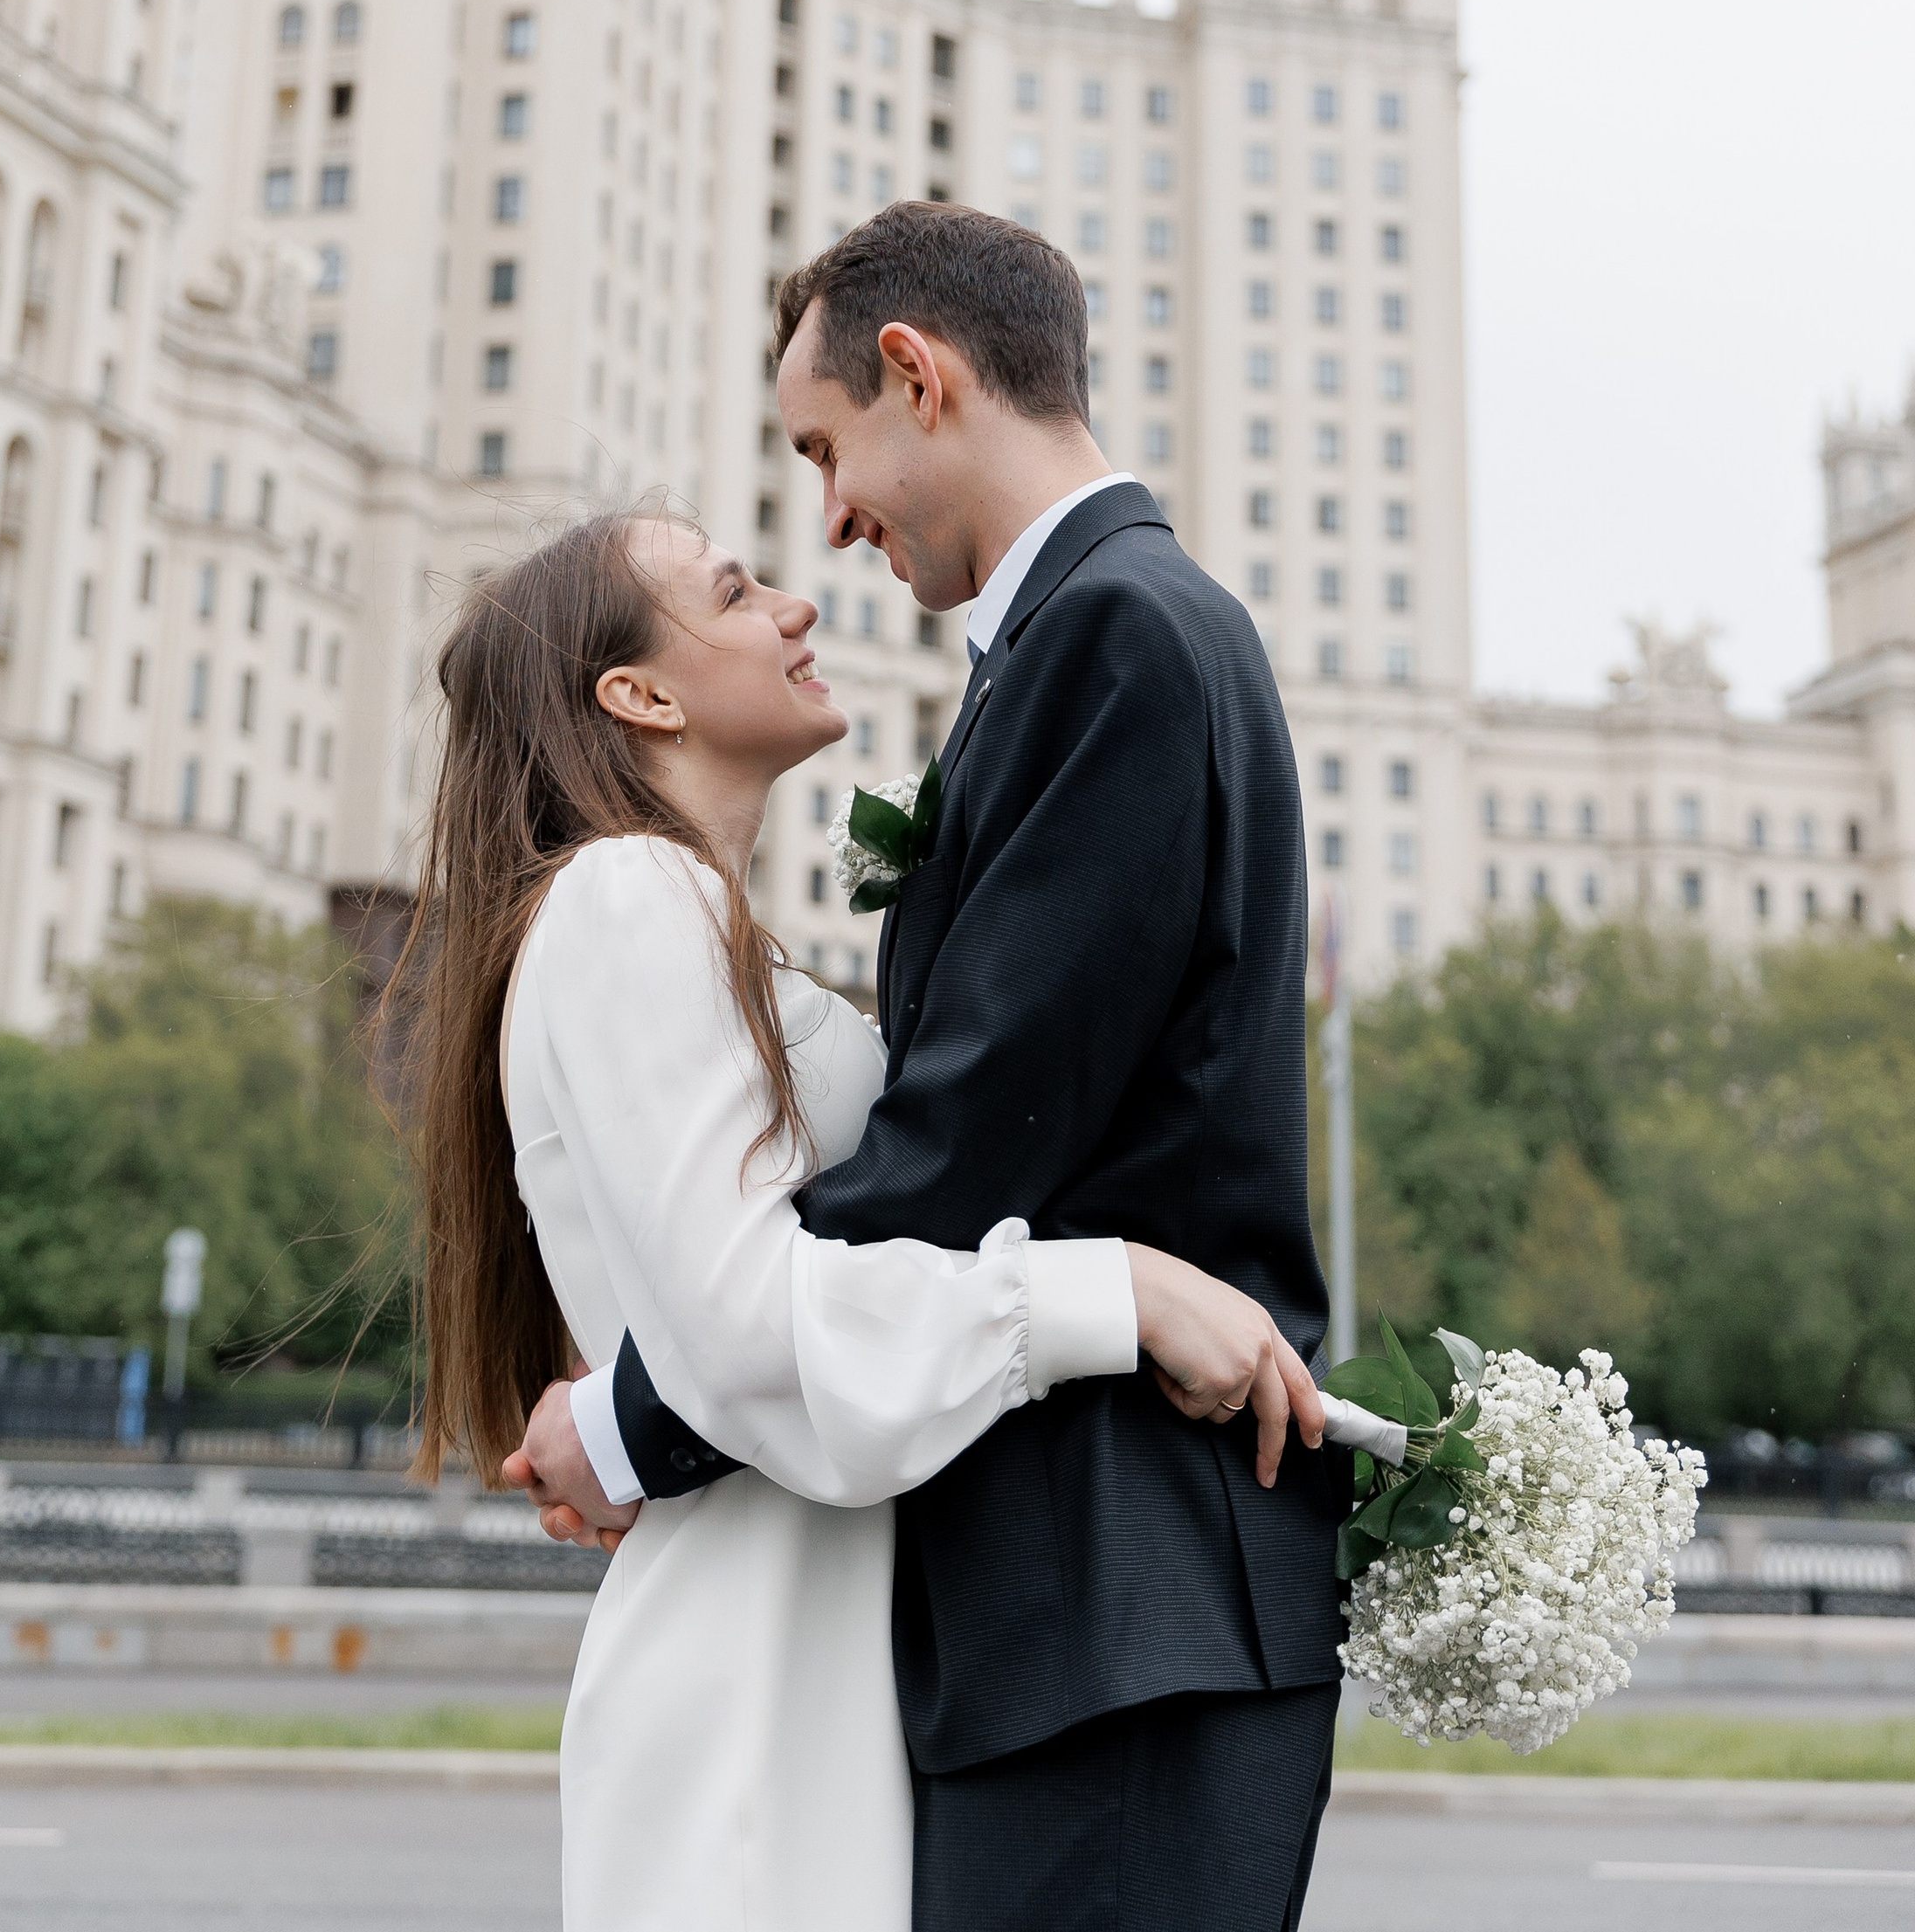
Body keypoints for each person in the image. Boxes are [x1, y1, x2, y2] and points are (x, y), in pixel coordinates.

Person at [509, 203, 1347, 1931]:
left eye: (825, 447)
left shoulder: (1113, 634)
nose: (827, 521)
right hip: (1073, 1605)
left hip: (1117, 1596)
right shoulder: (1090, 638)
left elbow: (969, 1144)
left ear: (918, 373)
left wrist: (634, 1420)